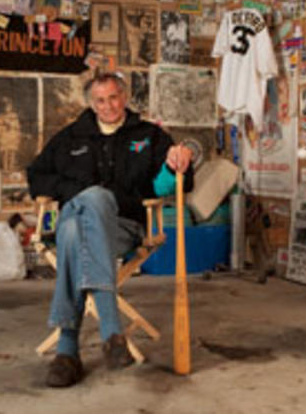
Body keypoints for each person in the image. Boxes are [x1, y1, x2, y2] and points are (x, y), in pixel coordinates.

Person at [27, 70, 194, 388]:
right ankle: (111, 332)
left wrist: (178, 160)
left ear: (125, 96)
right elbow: (36, 176)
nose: (108, 106)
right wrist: (74, 191)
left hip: (124, 226)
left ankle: (66, 352)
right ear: (91, 103)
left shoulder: (149, 136)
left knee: (76, 233)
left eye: (113, 97)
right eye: (100, 100)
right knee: (82, 213)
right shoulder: (70, 137)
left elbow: (166, 183)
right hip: (75, 223)